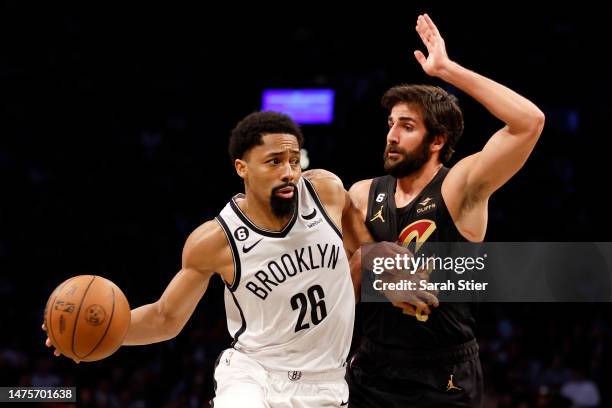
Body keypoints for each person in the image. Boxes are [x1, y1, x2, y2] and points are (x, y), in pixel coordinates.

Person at [43, 111, 371, 407]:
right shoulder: (215, 241)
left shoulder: (326, 192)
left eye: (294, 160)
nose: (288, 172)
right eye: (274, 162)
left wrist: (402, 274)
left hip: (326, 382)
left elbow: (368, 254)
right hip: (254, 376)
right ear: (241, 167)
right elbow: (165, 318)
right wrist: (98, 332)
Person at [346, 14, 545, 407]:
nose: (391, 135)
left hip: (444, 374)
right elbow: (339, 287)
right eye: (390, 124)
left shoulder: (459, 188)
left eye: (406, 126)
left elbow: (529, 122)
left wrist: (446, 70)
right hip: (372, 368)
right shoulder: (361, 193)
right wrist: (369, 263)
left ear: (437, 140)